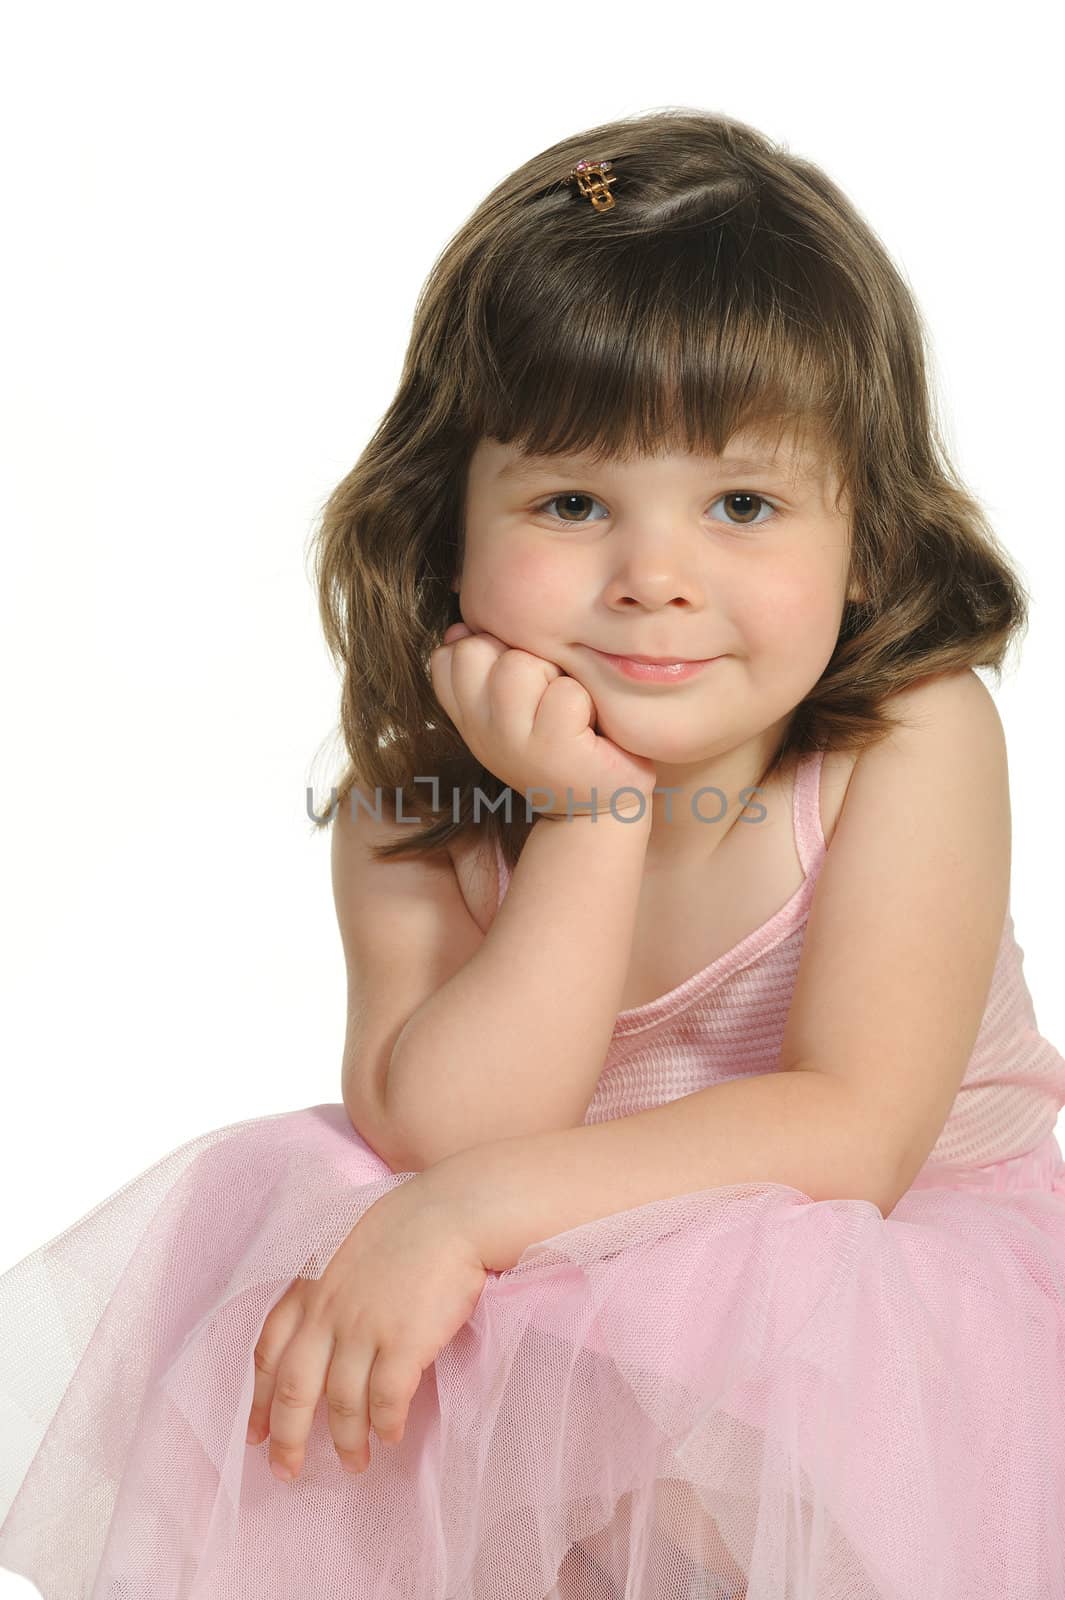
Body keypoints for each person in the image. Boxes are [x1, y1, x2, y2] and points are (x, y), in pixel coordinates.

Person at [1, 107, 1063, 1600]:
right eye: (572, 503)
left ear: (865, 542)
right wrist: (590, 817)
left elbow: (853, 1137)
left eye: (742, 504)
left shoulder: (906, 737)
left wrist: (459, 1217)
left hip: (874, 1309)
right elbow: (443, 1132)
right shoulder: (415, 810)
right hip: (555, 1290)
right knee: (360, 1281)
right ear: (446, 528)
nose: (653, 579)